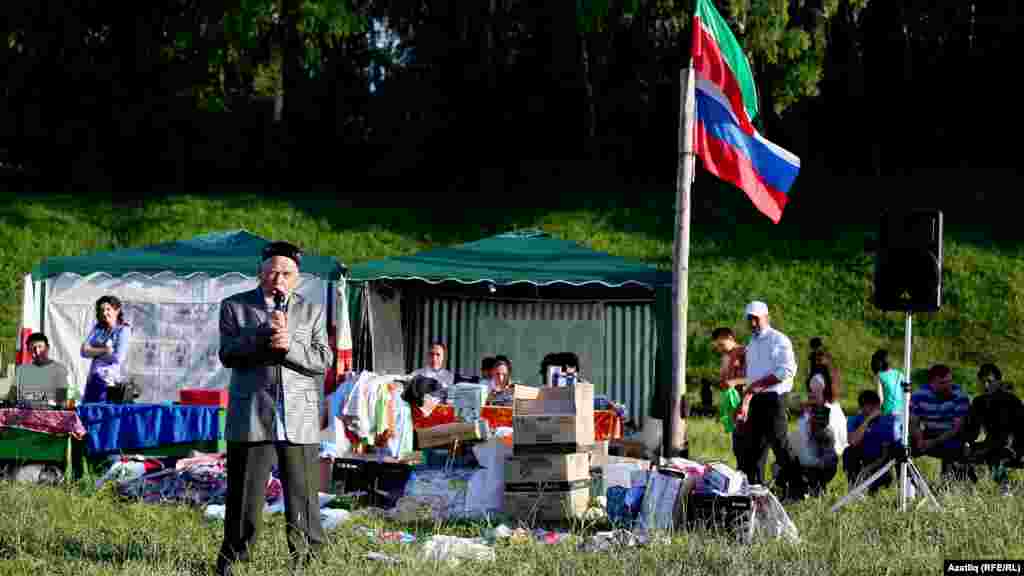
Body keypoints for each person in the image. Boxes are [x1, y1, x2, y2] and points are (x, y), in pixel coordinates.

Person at [215, 241, 332, 575]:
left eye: (285, 273)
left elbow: (323, 360)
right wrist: (263, 335)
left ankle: (308, 560)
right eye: (271, 272)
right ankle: (234, 562)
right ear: (260, 273)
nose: (277, 278)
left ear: (297, 277)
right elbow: (228, 355)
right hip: (252, 413)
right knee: (244, 497)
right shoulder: (234, 306)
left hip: (299, 415)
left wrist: (290, 346)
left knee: (303, 495)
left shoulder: (312, 311)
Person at [737, 301, 801, 496]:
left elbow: (787, 370)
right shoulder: (752, 343)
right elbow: (751, 375)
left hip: (774, 398)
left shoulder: (779, 339)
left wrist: (755, 387)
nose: (753, 323)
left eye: (756, 318)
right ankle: (756, 491)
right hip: (755, 399)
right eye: (750, 319)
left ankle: (799, 488)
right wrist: (746, 398)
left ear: (766, 317)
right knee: (754, 448)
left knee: (780, 445)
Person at [790, 350, 847, 497]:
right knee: (826, 448)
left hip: (821, 414)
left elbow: (818, 399)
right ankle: (818, 484)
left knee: (810, 449)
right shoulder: (832, 376)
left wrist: (802, 404)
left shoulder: (816, 377)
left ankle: (812, 483)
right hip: (833, 413)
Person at [962, 364, 1024, 493]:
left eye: (989, 381)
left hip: (1014, 445)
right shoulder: (978, 402)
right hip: (991, 444)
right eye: (983, 382)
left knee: (994, 455)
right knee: (956, 451)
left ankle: (1004, 488)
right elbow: (973, 428)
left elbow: (1019, 429)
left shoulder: (1011, 401)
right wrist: (967, 443)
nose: (985, 385)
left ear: (998, 382)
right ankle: (964, 487)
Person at [909, 363, 973, 482]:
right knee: (900, 448)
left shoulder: (960, 396)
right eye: (943, 383)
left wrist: (932, 443)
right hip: (928, 433)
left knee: (956, 448)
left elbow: (956, 428)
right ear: (931, 383)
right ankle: (913, 485)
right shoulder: (919, 395)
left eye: (949, 381)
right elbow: (913, 421)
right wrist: (919, 439)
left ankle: (950, 484)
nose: (948, 386)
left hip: (952, 436)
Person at [843, 390, 901, 494]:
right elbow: (852, 442)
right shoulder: (854, 420)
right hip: (863, 458)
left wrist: (869, 469)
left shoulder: (886, 421)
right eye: (868, 406)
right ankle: (854, 486)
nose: (873, 409)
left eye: (875, 406)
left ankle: (905, 487)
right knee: (848, 452)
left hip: (881, 463)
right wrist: (867, 421)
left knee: (899, 450)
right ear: (861, 407)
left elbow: (886, 451)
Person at [80, 295, 131, 403]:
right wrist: (105, 350)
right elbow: (83, 351)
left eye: (108, 309)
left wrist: (93, 352)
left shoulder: (123, 330)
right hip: (93, 379)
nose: (104, 313)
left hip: (109, 382)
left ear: (117, 310)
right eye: (101, 310)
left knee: (103, 412)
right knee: (88, 411)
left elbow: (118, 358)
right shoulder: (98, 329)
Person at [710, 327, 747, 468]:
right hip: (733, 407)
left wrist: (735, 382)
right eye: (717, 346)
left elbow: (755, 378)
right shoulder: (726, 357)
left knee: (747, 449)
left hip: (747, 405)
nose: (720, 349)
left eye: (721, 345)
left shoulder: (744, 353)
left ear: (731, 338)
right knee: (738, 449)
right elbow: (724, 381)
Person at [8, 332, 71, 405]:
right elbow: (12, 397)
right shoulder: (22, 370)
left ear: (47, 348)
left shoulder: (59, 369)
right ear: (28, 350)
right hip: (24, 413)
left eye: (40, 347)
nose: (37, 352)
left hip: (50, 414)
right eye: (33, 348)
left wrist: (31, 396)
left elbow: (62, 399)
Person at [871, 349, 905, 417]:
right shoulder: (900, 374)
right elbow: (907, 392)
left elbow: (880, 399)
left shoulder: (879, 376)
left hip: (888, 413)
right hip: (903, 412)